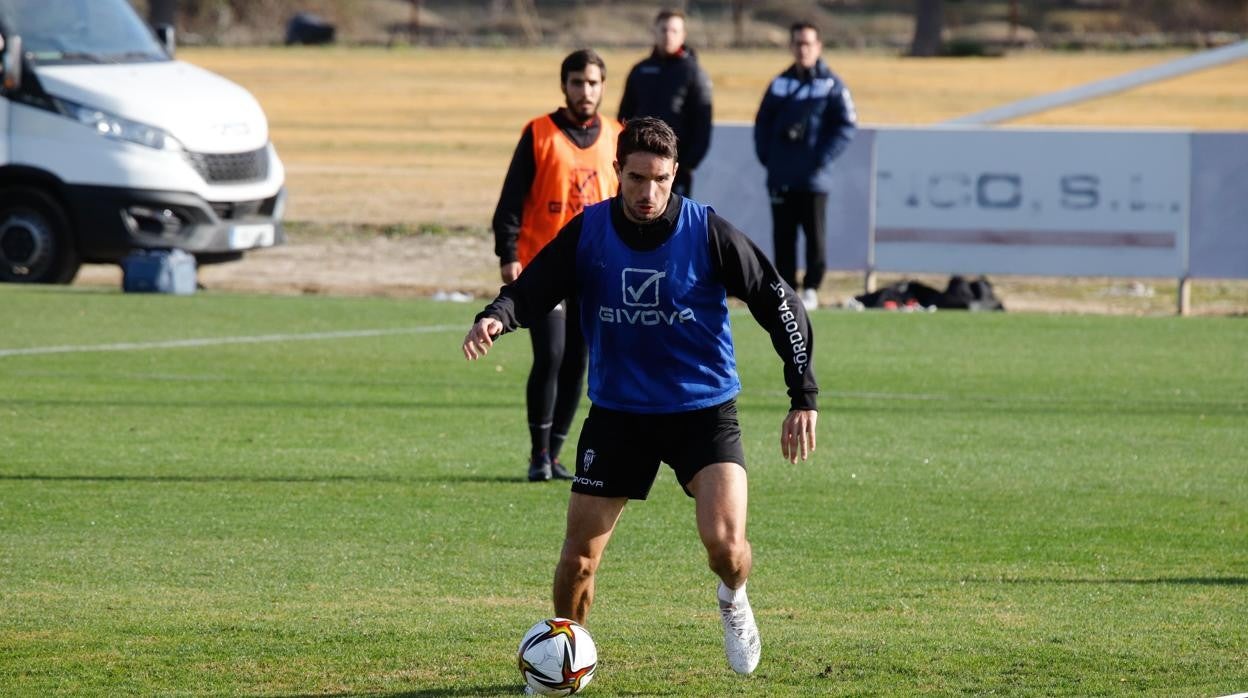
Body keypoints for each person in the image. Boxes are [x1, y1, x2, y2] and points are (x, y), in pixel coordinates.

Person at [463, 117, 818, 676]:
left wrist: (803, 395)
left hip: (703, 412)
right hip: (619, 415)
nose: (647, 192)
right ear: (616, 173)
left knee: (725, 547)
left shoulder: (709, 232)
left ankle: (735, 599)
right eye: (635, 178)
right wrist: (497, 317)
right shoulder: (590, 231)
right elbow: (535, 287)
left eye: (659, 179)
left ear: (675, 174)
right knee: (579, 561)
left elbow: (781, 304)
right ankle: (564, 660)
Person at [491, 49, 622, 482]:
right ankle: (538, 454)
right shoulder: (539, 133)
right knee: (550, 354)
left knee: (577, 362)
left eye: (593, 83)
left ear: (603, 86)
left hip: (594, 270)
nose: (586, 91)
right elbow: (511, 200)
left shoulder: (616, 137)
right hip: (543, 265)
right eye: (577, 82)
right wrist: (508, 253)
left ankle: (558, 454)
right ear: (564, 85)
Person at [754, 21, 857, 312]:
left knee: (815, 236)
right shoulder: (779, 83)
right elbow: (762, 123)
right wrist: (769, 157)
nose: (803, 49)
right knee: (783, 237)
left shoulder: (830, 84)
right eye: (798, 43)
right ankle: (787, 291)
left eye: (808, 43)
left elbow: (846, 125)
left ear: (818, 47)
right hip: (781, 175)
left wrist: (819, 158)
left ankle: (812, 287)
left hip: (814, 178)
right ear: (791, 46)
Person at [617, 8, 713, 198]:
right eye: (664, 30)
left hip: (674, 165)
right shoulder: (640, 70)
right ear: (655, 32)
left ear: (683, 35)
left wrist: (688, 164)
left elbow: (702, 122)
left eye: (674, 31)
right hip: (637, 162)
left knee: (672, 221)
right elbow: (624, 115)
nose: (668, 35)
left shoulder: (693, 72)